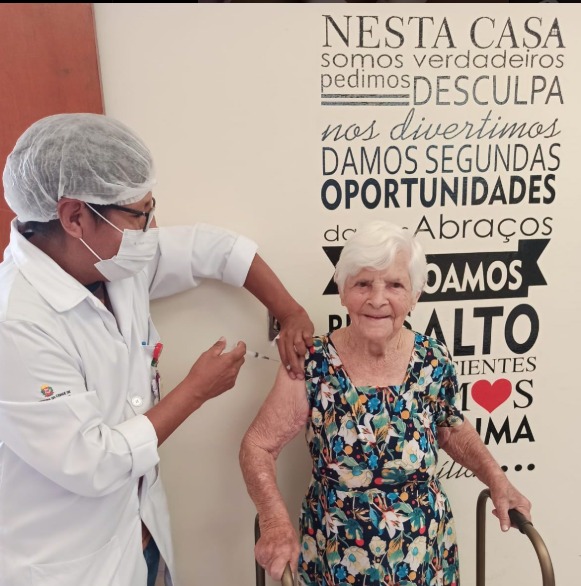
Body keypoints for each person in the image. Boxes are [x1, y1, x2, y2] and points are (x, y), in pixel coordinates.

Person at [0, 113, 313, 586]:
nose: (152, 227)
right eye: (139, 214)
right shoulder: (17, 322)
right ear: (75, 217)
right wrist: (195, 391)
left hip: (141, 540)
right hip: (70, 565)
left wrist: (290, 311)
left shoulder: (114, 263)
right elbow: (94, 463)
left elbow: (217, 251)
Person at [239, 220, 531, 586]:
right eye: (363, 284)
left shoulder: (432, 359)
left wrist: (498, 479)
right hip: (337, 556)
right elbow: (258, 446)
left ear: (414, 295)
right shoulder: (311, 363)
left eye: (394, 285)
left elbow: (450, 428)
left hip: (425, 554)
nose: (377, 300)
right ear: (343, 292)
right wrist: (273, 521)